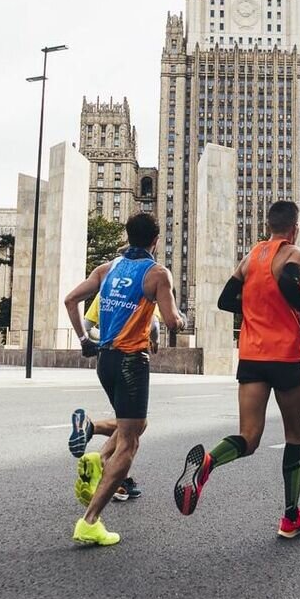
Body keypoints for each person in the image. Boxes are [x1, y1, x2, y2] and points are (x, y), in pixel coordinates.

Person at [172, 201, 300, 538]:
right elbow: (287, 283)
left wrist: (254, 307)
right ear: (294, 228)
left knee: (249, 437)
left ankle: (207, 464)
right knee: (294, 436)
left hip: (252, 357)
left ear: (268, 225)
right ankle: (290, 517)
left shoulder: (250, 257)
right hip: (286, 357)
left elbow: (226, 300)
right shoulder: (297, 253)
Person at [62, 213, 185, 546]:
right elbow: (172, 321)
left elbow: (70, 299)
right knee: (130, 442)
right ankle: (90, 521)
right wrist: (182, 317)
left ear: (128, 236)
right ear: (155, 241)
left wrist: (84, 340)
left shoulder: (107, 269)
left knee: (135, 425)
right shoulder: (157, 274)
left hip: (105, 360)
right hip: (132, 362)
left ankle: (94, 449)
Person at [78, 284, 162, 502]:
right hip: (132, 361)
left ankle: (122, 478)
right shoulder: (145, 284)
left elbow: (86, 326)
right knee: (134, 426)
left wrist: (105, 337)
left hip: (105, 360)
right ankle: (102, 463)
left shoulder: (105, 290)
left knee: (128, 425)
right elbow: (154, 324)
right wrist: (156, 340)